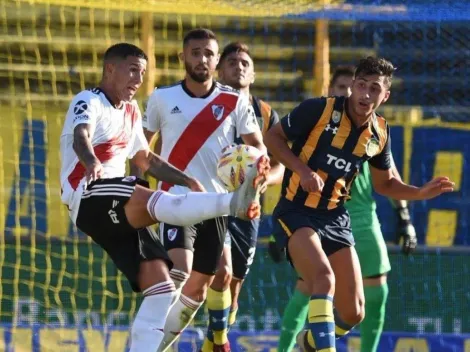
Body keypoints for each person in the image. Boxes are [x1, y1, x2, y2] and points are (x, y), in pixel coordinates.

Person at [59, 42, 268, 352]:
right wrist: (91, 164)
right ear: (110, 69)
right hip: (90, 194)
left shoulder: (130, 111)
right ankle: (230, 204)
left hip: (114, 209)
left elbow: (147, 159)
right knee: (153, 199)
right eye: (132, 70)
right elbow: (81, 136)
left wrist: (187, 180)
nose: (138, 79)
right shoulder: (88, 100)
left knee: (161, 288)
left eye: (142, 73)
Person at [264, 56, 454, 352]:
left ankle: (310, 343)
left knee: (354, 313)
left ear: (385, 95)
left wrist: (419, 192)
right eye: (361, 85)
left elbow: (385, 184)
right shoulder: (318, 109)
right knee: (321, 279)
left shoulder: (380, 133)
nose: (366, 94)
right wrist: (301, 171)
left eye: (374, 89)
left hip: (336, 218)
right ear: (351, 86)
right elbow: (273, 137)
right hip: (297, 211)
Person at [142, 29, 268, 352]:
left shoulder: (235, 101)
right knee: (181, 271)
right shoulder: (161, 98)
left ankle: (168, 344)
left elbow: (258, 149)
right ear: (182, 57)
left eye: (209, 53)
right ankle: (151, 343)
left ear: (216, 60)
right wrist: (139, 188)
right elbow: (141, 150)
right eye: (195, 53)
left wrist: (254, 172)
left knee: (215, 280)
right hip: (175, 201)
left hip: (216, 204)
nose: (202, 59)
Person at [200, 42, 285, 352]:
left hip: (247, 209)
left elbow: (280, 167)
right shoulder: (206, 105)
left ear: (254, 73)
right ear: (219, 70)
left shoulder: (265, 114)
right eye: (232, 61)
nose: (239, 66)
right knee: (210, 277)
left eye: (245, 62)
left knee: (233, 289)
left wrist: (265, 180)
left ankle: (211, 343)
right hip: (210, 202)